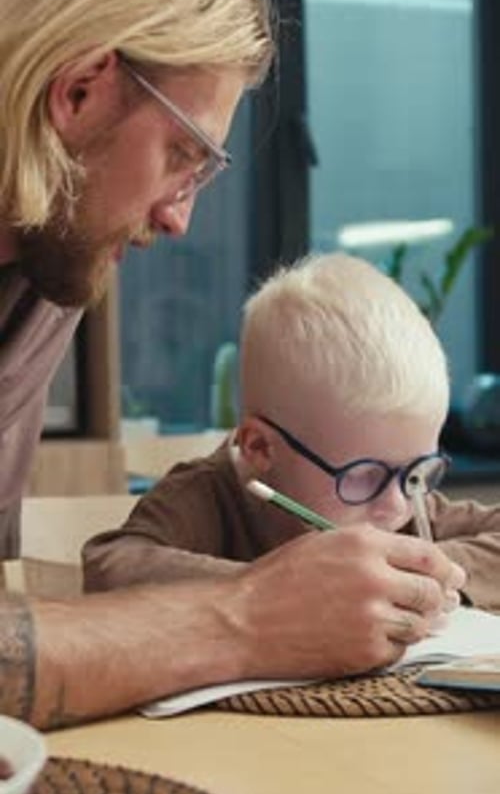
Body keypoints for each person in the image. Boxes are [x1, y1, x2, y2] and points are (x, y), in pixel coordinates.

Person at [0, 0, 463, 732]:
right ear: (80, 91)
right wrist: (248, 618)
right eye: (183, 158)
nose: (179, 219)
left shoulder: (53, 265)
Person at [84, 252, 500, 617]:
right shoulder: (208, 494)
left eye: (418, 471)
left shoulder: (406, 502)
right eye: (363, 475)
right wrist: (273, 587)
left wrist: (422, 573)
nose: (395, 507)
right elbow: (109, 565)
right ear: (261, 447)